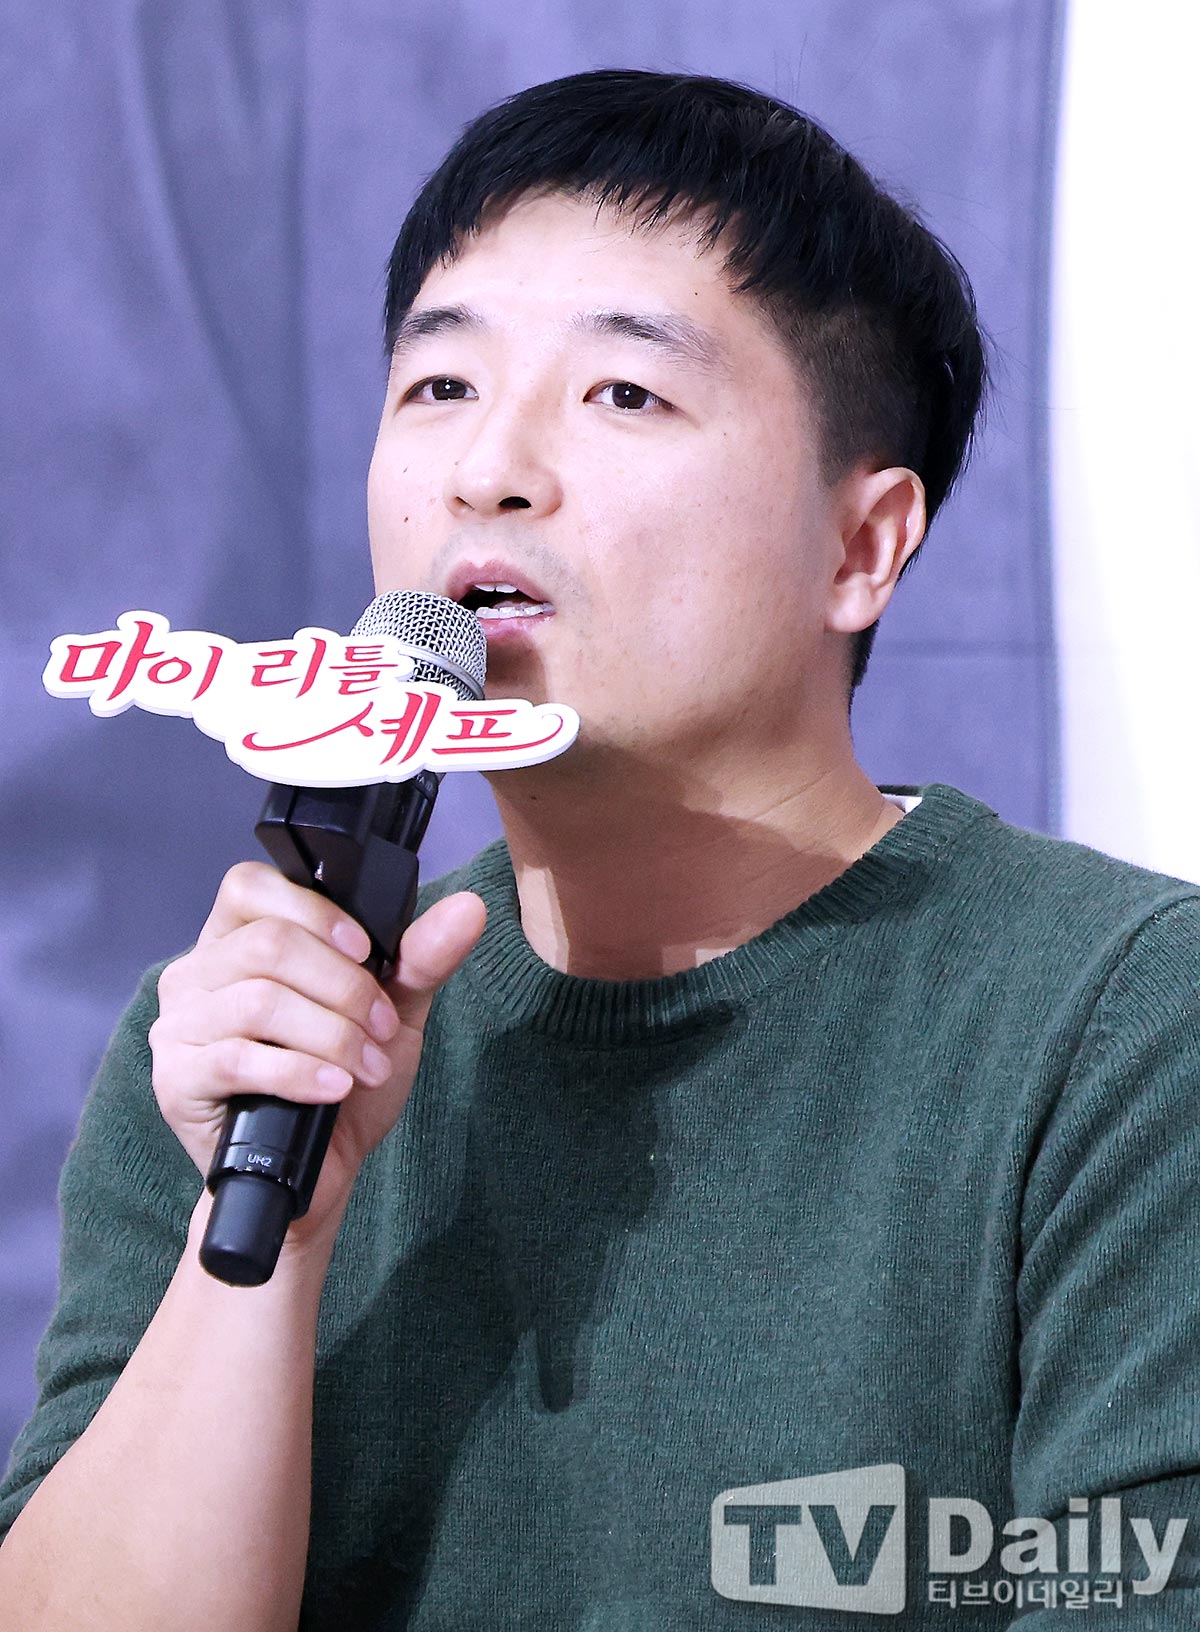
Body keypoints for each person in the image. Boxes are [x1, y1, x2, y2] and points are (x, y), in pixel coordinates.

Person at [1, 66, 1199, 1631]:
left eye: (623, 393)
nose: (487, 470)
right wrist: (275, 1242)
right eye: (440, 386)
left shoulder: (1124, 1027)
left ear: (862, 544)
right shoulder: (238, 1047)